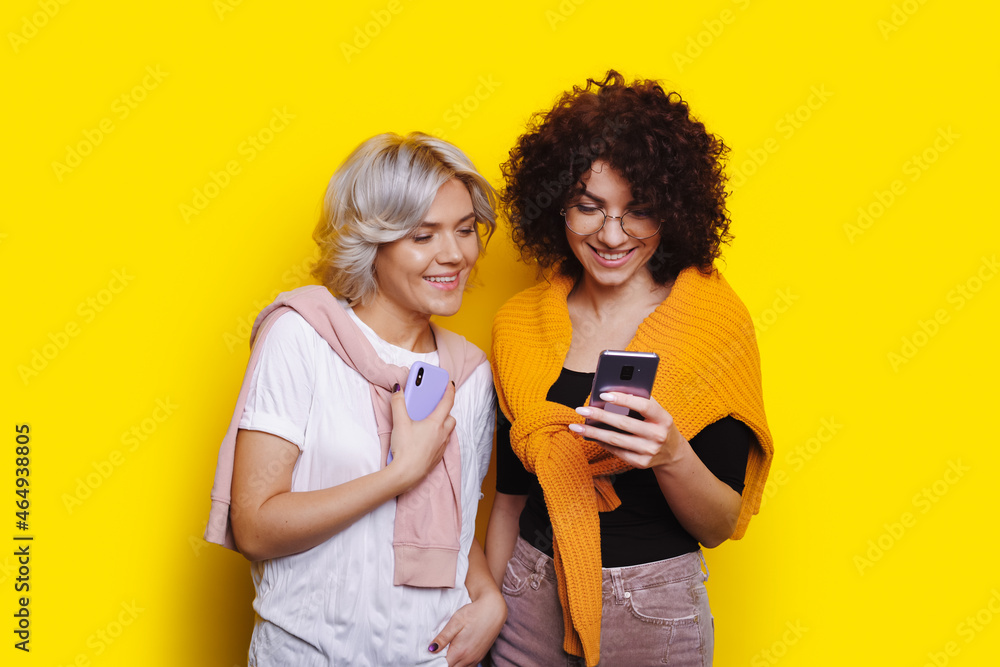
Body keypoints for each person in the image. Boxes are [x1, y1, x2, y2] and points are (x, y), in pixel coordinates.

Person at [485, 71, 774, 667]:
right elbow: (509, 502)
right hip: (526, 597)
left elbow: (719, 525)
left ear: (671, 210)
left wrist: (670, 455)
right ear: (557, 208)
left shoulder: (710, 325)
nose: (611, 235)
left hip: (651, 609)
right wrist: (487, 605)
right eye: (588, 208)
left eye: (637, 211)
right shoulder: (518, 326)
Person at [205, 132, 506, 666]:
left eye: (464, 230)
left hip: (434, 657)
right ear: (372, 242)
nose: (455, 254)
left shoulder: (471, 374)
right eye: (423, 235)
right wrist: (399, 473)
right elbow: (255, 526)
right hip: (308, 654)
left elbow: (451, 532)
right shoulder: (301, 339)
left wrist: (489, 600)